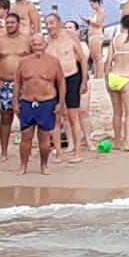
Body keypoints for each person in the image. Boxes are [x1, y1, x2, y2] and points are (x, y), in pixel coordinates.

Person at [14, 33, 65, 176]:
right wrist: (15, 102)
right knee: (26, 136)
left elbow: (61, 82)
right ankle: (23, 165)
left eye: (40, 44)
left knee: (44, 136)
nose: (37, 47)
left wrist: (60, 102)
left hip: (47, 102)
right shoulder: (24, 62)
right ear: (31, 45)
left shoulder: (53, 62)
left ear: (45, 45)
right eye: (35, 45)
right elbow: (17, 83)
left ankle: (44, 165)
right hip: (28, 102)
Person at [0, 12, 28, 161]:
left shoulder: (26, 40)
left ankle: (26, 148)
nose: (9, 25)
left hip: (23, 84)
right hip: (4, 83)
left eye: (12, 22)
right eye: (7, 22)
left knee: (25, 116)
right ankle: (4, 151)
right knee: (5, 117)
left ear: (18, 24)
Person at [46, 15, 87, 163]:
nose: (49, 26)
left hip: (71, 77)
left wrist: (84, 80)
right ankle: (58, 153)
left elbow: (82, 58)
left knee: (73, 116)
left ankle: (77, 152)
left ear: (59, 23)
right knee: (56, 117)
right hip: (55, 81)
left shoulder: (69, 37)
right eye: (47, 23)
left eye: (52, 23)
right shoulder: (47, 42)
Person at [106, 15, 129, 152]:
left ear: (122, 25)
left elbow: (108, 61)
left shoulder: (115, 40)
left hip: (113, 76)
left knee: (117, 112)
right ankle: (127, 141)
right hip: (127, 77)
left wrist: (106, 77)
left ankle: (117, 141)